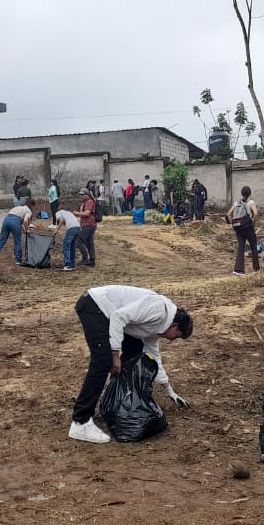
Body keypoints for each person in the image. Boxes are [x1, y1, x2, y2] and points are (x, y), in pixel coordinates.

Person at [68, 285, 193, 443]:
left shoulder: (159, 327)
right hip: (95, 305)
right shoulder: (158, 310)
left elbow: (154, 357)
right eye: (177, 336)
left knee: (135, 350)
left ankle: (119, 402)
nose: (172, 340)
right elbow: (118, 316)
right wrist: (115, 355)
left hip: (110, 314)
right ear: (174, 326)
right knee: (103, 360)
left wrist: (169, 389)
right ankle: (80, 422)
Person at [227, 186, 259, 276]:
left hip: (238, 228)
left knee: (241, 247)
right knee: (253, 247)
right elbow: (256, 213)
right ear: (250, 194)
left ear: (241, 193)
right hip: (248, 228)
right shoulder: (251, 202)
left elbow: (228, 214)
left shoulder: (237, 202)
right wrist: (253, 222)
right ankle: (256, 269)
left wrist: (232, 224)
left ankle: (238, 270)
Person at [0, 199, 35, 263]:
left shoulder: (19, 207)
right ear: (32, 206)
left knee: (2, 240)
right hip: (15, 221)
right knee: (17, 241)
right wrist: (27, 230)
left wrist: (24, 230)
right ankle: (18, 260)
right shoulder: (29, 211)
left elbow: (21, 223)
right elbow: (25, 221)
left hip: (6, 220)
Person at [54, 204, 82, 271]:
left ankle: (68, 265)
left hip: (72, 229)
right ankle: (72, 264)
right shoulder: (69, 213)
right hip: (78, 228)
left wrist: (56, 230)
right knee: (72, 247)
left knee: (65, 247)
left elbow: (61, 220)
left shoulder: (58, 213)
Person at [76, 188, 98, 267]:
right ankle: (92, 260)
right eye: (80, 195)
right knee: (89, 243)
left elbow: (87, 213)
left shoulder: (89, 202)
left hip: (88, 224)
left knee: (79, 240)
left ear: (87, 195)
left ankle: (85, 258)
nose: (81, 196)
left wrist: (76, 213)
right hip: (88, 224)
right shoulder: (84, 202)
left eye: (82, 195)